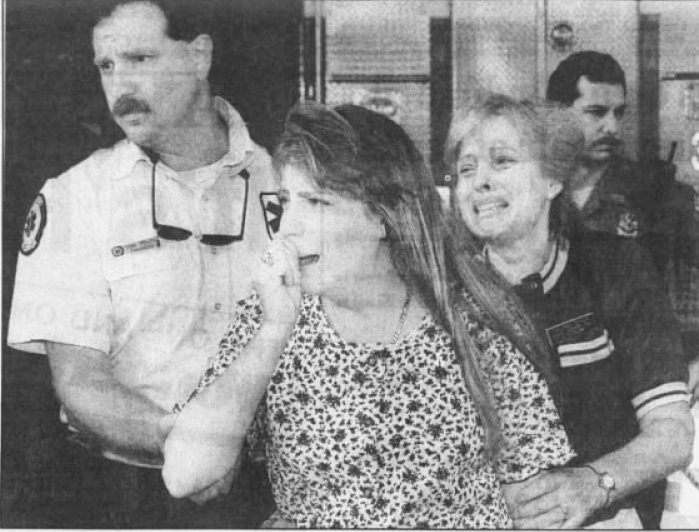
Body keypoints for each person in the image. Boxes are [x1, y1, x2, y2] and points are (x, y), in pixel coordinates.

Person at [160, 101, 575, 528]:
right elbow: (185, 475)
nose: (290, 228)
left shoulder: (474, 321)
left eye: (318, 203)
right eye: (287, 202)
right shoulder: (267, 318)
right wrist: (273, 331)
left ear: (383, 217)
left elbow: (534, 502)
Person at [7, 0, 278, 527]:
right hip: (121, 497)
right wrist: (188, 443)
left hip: (265, 495)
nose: (119, 86)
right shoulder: (76, 196)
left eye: (138, 59)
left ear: (199, 55)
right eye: (106, 66)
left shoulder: (289, 184)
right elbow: (79, 380)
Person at [445, 92, 694, 529]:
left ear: (552, 182)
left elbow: (672, 434)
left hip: (606, 515)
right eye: (466, 169)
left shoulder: (616, 268)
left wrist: (594, 483)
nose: (479, 181)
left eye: (501, 161)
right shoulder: (444, 290)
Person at [547, 50, 699, 411]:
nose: (612, 127)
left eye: (620, 113)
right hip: (559, 386)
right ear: (557, 115)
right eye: (596, 113)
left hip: (645, 384)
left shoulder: (658, 197)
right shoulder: (535, 193)